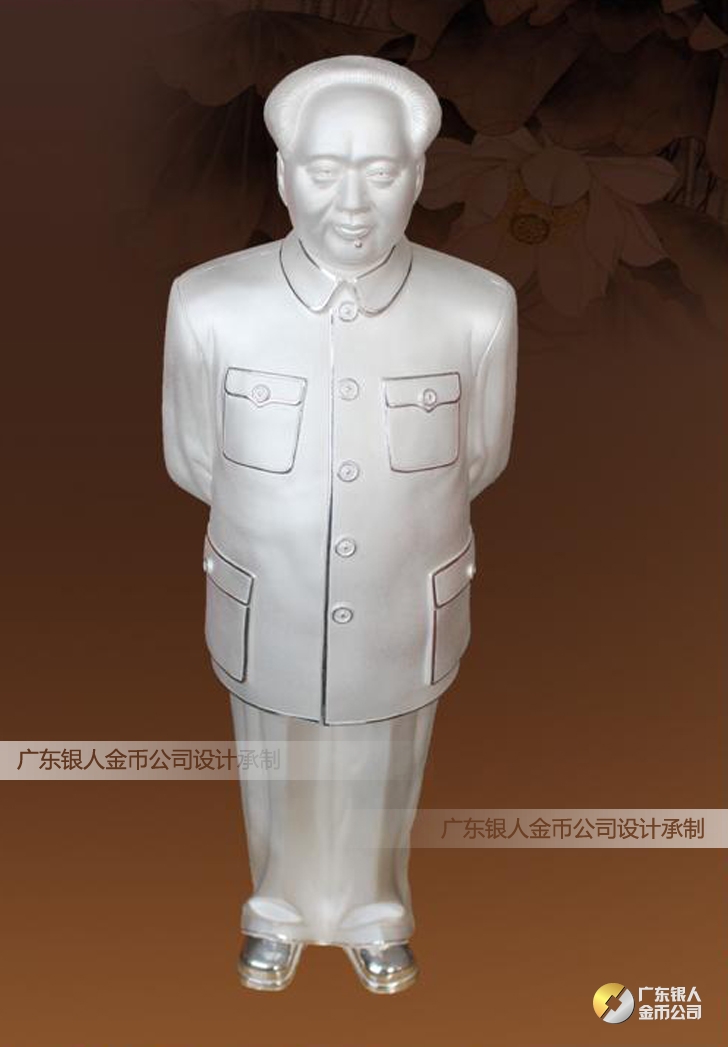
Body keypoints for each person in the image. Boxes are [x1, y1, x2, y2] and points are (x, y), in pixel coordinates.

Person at [162, 54, 518, 993]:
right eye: (324, 170)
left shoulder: (477, 306)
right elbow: (193, 457)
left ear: (418, 175)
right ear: (284, 175)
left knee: (388, 752)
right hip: (268, 589)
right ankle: (274, 906)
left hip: (405, 593)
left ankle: (376, 907)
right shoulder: (209, 302)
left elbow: (481, 456)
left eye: (380, 171)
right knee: (272, 744)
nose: (352, 202)